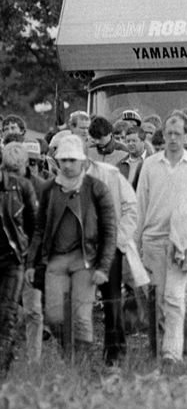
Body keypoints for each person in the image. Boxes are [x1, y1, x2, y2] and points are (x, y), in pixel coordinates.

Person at [135, 114, 187, 364]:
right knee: (158, 297)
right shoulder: (150, 165)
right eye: (168, 134)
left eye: (177, 134)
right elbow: (140, 205)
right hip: (154, 239)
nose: (172, 139)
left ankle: (173, 352)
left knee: (175, 296)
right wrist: (135, 243)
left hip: (184, 241)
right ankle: (161, 346)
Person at [30, 135, 117, 359]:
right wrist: (32, 261)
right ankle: (68, 353)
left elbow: (109, 230)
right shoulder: (49, 189)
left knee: (81, 316)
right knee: (54, 316)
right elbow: (40, 228)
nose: (67, 165)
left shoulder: (97, 189)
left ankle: (80, 364)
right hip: (55, 258)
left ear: (82, 162)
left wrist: (103, 267)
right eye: (63, 160)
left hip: (85, 258)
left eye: (72, 160)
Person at [83, 146, 139, 366]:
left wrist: (118, 240)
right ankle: (78, 353)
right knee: (79, 301)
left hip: (109, 245)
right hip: (81, 248)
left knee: (112, 299)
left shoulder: (110, 174)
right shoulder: (64, 181)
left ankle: (115, 350)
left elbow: (131, 206)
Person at [0, 142, 38, 376]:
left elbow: (34, 226)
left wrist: (30, 258)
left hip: (13, 258)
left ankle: (3, 369)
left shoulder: (22, 187)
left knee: (7, 312)